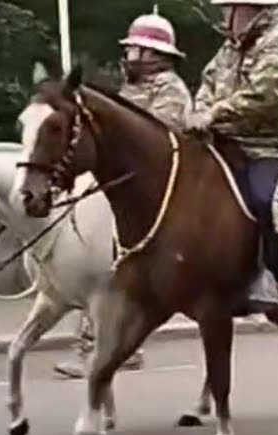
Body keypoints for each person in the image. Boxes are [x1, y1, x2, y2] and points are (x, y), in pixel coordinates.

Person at [54, 7, 193, 379]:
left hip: (157, 184)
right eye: (130, 49)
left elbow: (159, 138)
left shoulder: (172, 91)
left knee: (118, 261)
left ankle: (109, 344)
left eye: (136, 50)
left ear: (154, 55)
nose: (129, 55)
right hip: (123, 179)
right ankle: (91, 341)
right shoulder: (130, 89)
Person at [189, 0, 278, 321]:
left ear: (253, 11)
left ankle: (277, 285)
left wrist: (213, 113)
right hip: (230, 142)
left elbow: (266, 95)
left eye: (229, 9)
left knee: (267, 199)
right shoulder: (229, 50)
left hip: (276, 148)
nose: (224, 16)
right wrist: (199, 110)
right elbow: (207, 84)